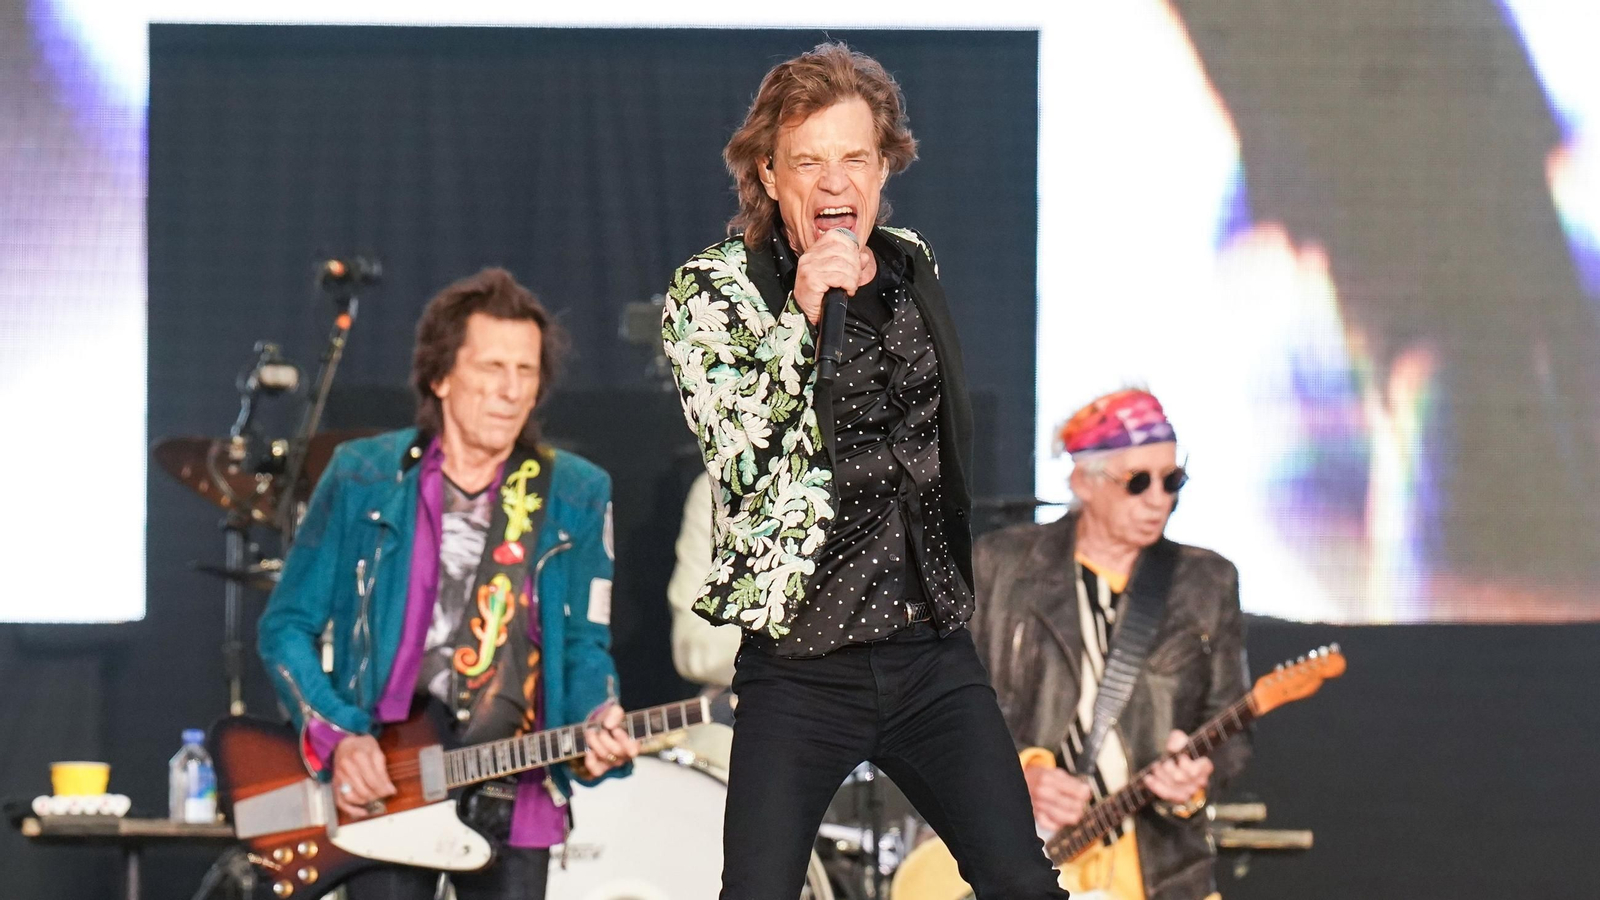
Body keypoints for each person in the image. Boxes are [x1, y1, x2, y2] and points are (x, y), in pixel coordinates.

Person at [661, 42, 1069, 899]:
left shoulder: (913, 260)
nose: (834, 182)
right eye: (808, 161)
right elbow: (738, 449)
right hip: (803, 663)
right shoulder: (713, 290)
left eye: (855, 158)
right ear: (770, 175)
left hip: (928, 652)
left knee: (1022, 884)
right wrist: (804, 315)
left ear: (884, 170)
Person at [258, 267, 639, 900]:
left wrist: (599, 716)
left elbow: (583, 645)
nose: (511, 391)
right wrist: (341, 734)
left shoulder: (575, 490)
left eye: (526, 371)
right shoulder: (364, 476)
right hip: (391, 783)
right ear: (440, 376)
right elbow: (285, 628)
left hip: (515, 788)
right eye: (492, 368)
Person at [970, 388, 1252, 900]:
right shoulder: (1001, 566)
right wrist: (1017, 778)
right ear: (1084, 481)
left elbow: (1232, 730)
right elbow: (951, 712)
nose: (1159, 499)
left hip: (1162, 871)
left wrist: (1195, 780)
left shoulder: (1206, 581)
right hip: (1027, 860)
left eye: (1173, 480)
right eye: (1138, 482)